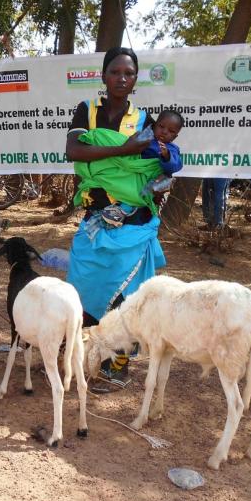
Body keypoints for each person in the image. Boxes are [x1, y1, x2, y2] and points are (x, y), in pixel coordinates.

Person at [64, 46, 168, 391]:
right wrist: (124, 150)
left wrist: (157, 181)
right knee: (83, 288)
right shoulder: (86, 111)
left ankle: (117, 365)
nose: (122, 78)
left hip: (132, 222)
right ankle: (85, 354)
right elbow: (75, 152)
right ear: (104, 75)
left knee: (127, 299)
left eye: (129, 73)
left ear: (135, 79)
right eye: (115, 72)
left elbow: (157, 164)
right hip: (96, 220)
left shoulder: (145, 120)